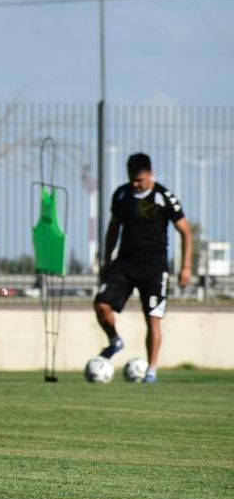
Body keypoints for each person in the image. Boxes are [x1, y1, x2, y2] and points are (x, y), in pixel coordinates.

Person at [94, 152, 192, 383]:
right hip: (125, 263)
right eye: (132, 180)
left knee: (153, 319)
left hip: (155, 268)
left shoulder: (164, 197)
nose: (135, 185)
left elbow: (186, 232)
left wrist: (186, 266)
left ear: (150, 174)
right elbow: (113, 229)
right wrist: (106, 261)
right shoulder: (121, 195)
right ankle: (115, 341)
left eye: (139, 180)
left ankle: (151, 371)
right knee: (101, 304)